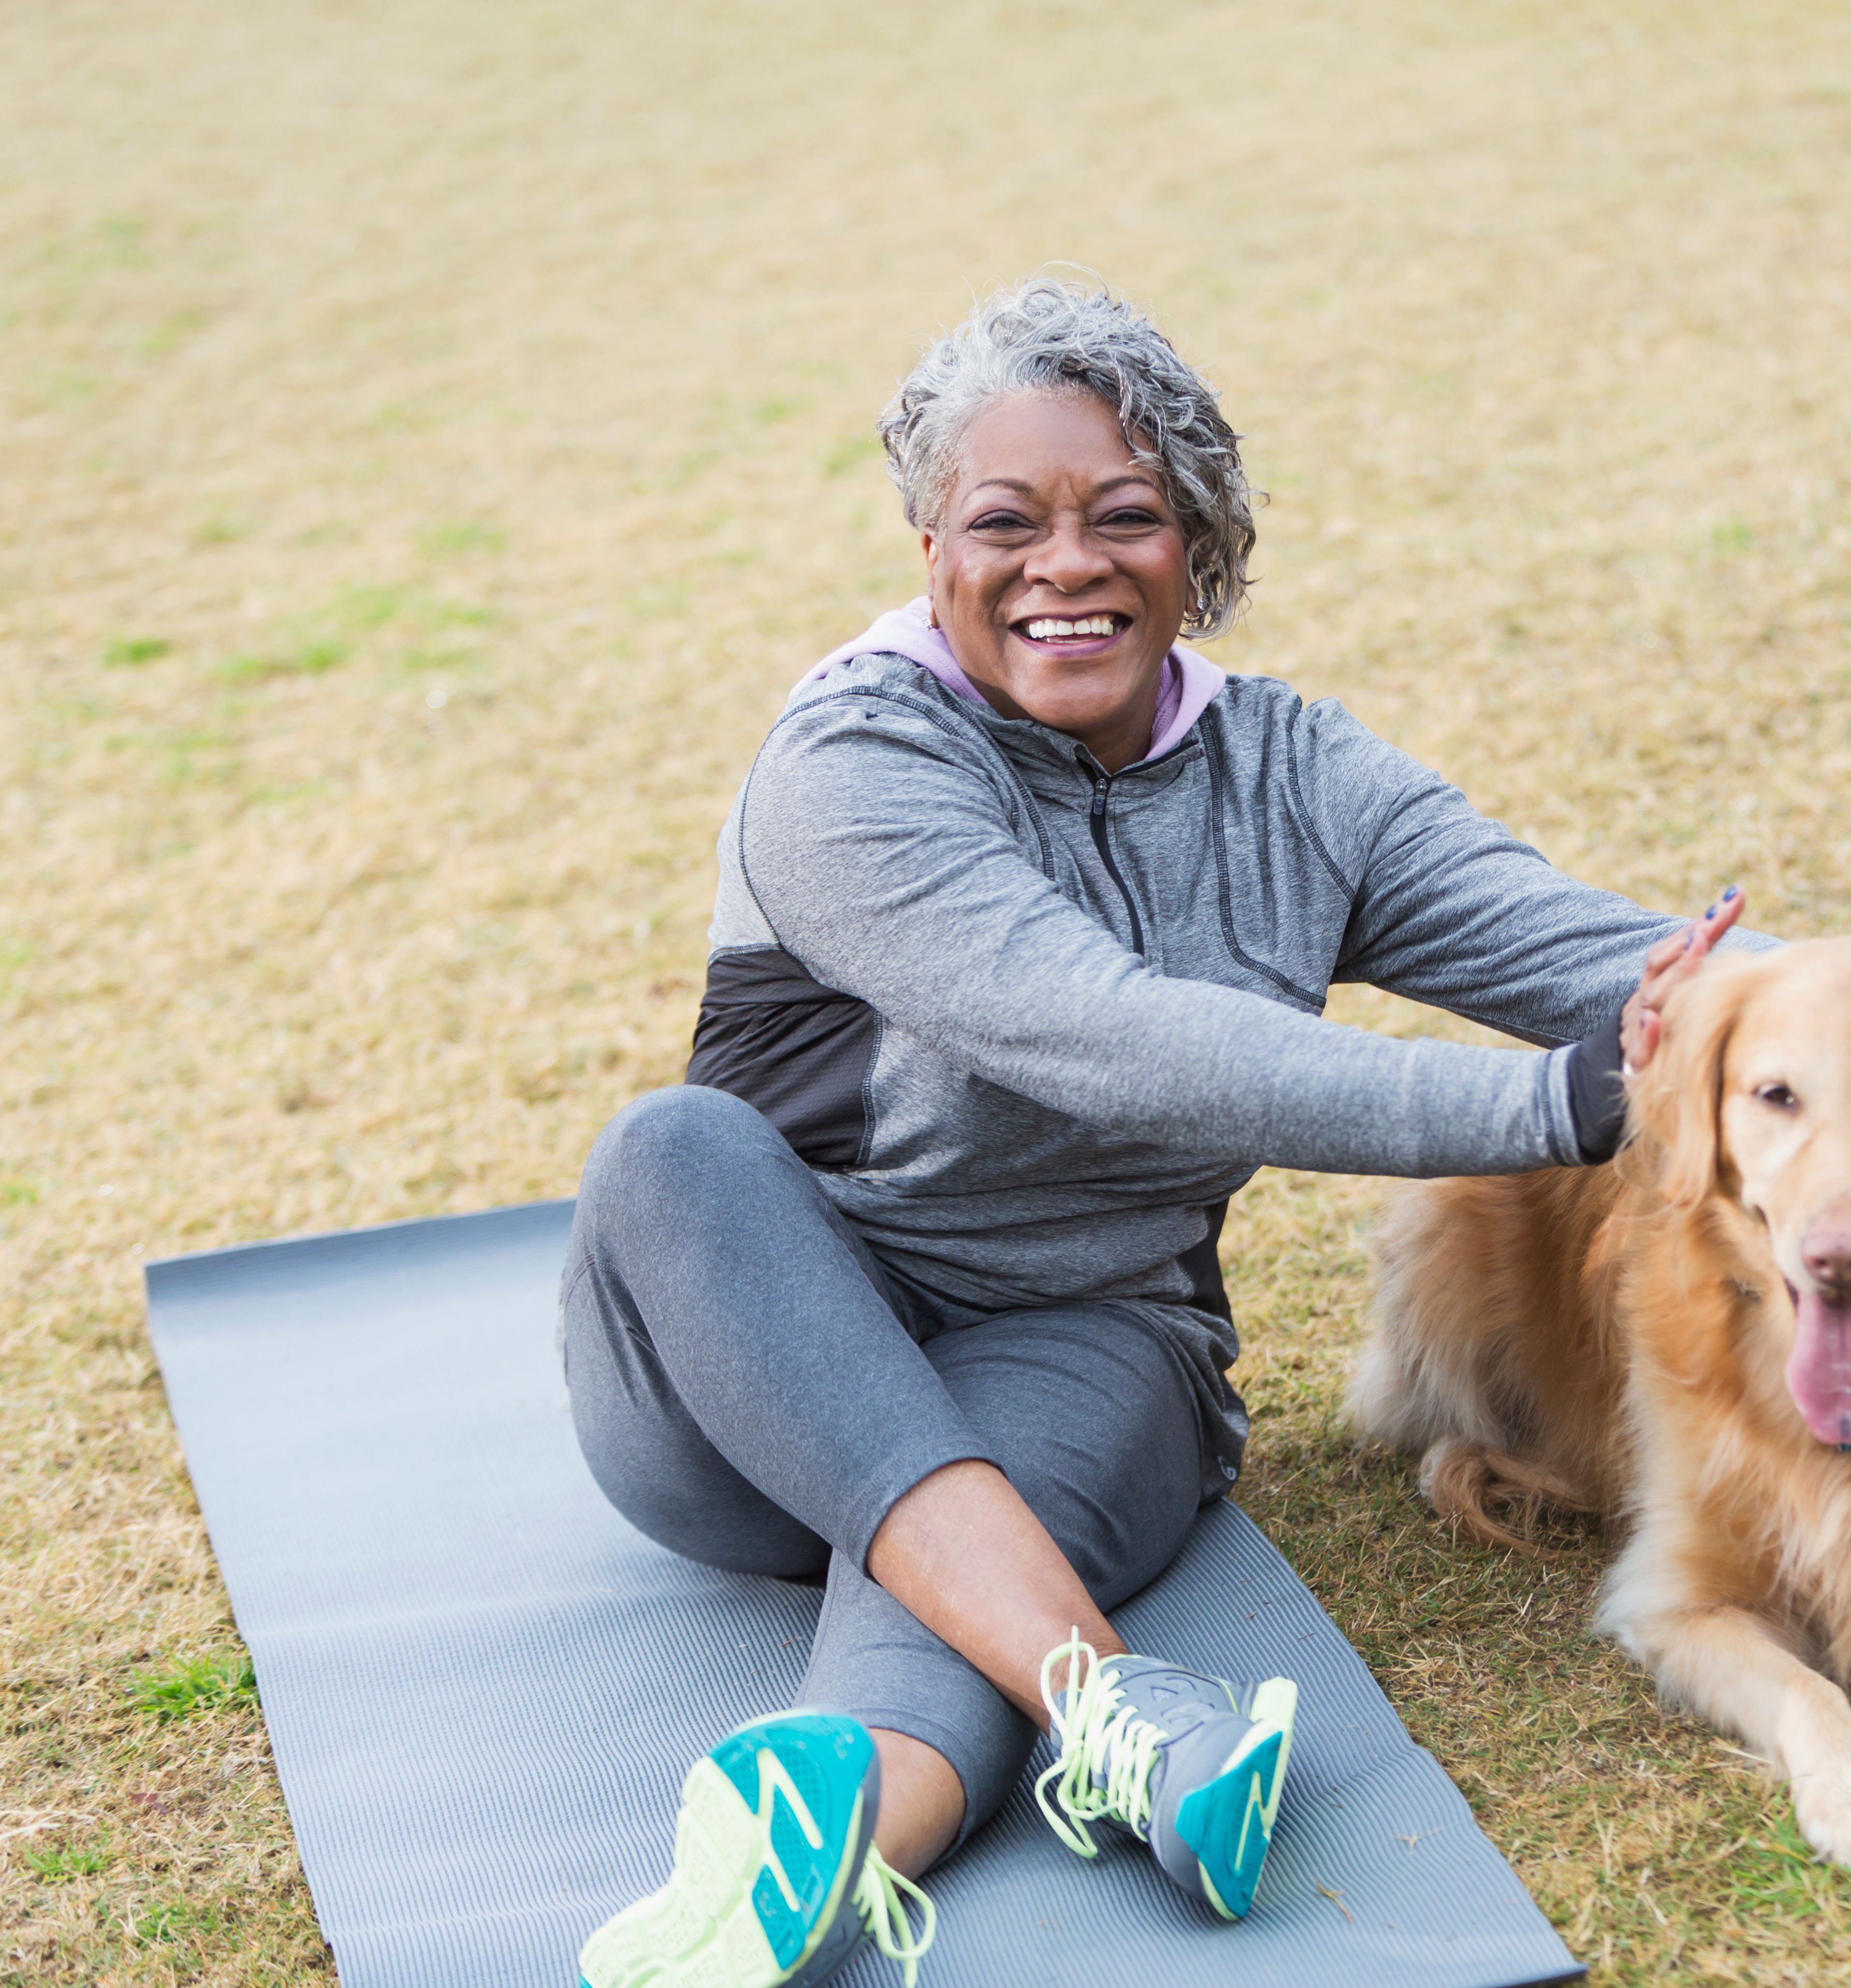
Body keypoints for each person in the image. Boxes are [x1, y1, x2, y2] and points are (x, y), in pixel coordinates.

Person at [560, 278, 1760, 1988]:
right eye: (1006, 521)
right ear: (928, 549)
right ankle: (1113, 1701)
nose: (1067, 564)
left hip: (1086, 1351)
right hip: (750, 1383)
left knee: (942, 1618)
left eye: (1127, 518)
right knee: (668, 1152)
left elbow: (1583, 946)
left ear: (1202, 551)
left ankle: (830, 1851)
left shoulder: (1294, 777)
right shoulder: (851, 767)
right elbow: (1122, 1040)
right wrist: (1560, 1101)